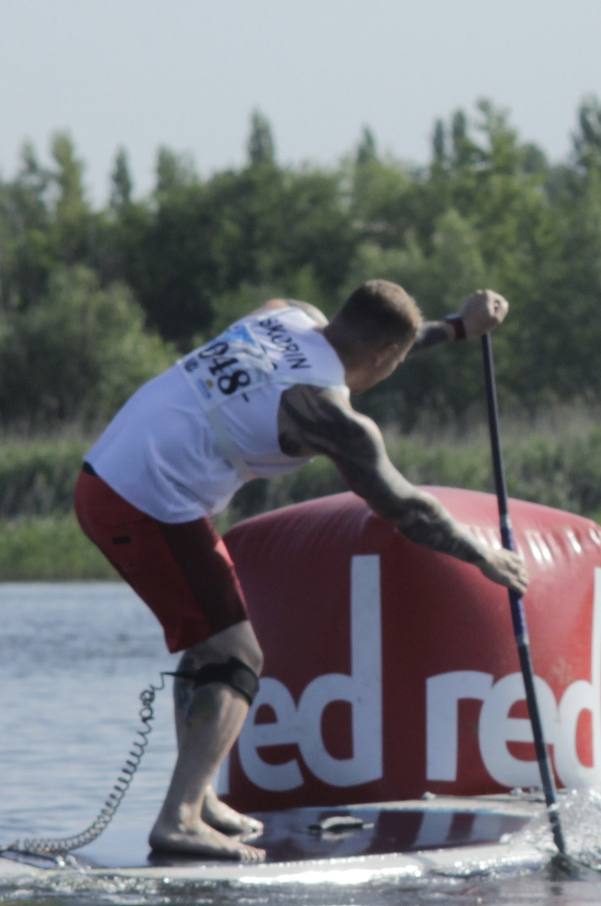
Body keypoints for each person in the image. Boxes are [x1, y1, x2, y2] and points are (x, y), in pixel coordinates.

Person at [75, 281, 528, 861]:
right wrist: (483, 555)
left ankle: (200, 795)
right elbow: (406, 508)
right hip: (143, 502)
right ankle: (180, 818)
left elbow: (377, 340)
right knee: (238, 657)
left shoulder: (286, 315)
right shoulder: (322, 410)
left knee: (211, 645)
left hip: (114, 469)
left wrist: (460, 328)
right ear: (388, 357)